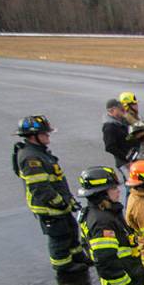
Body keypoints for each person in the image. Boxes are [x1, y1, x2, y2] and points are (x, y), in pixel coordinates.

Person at [13, 114, 88, 274]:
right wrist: (59, 201)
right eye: (45, 133)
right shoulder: (30, 158)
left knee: (71, 229)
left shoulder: (39, 152)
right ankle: (63, 266)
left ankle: (77, 256)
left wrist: (68, 200)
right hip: (49, 208)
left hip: (60, 203)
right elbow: (39, 187)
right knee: (59, 236)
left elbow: (56, 180)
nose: (48, 136)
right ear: (33, 136)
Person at [103, 98, 132, 204]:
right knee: (131, 185)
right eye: (120, 109)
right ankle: (130, 208)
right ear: (112, 110)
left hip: (130, 158)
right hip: (124, 162)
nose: (122, 111)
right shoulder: (109, 126)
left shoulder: (121, 121)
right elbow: (110, 146)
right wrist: (126, 159)